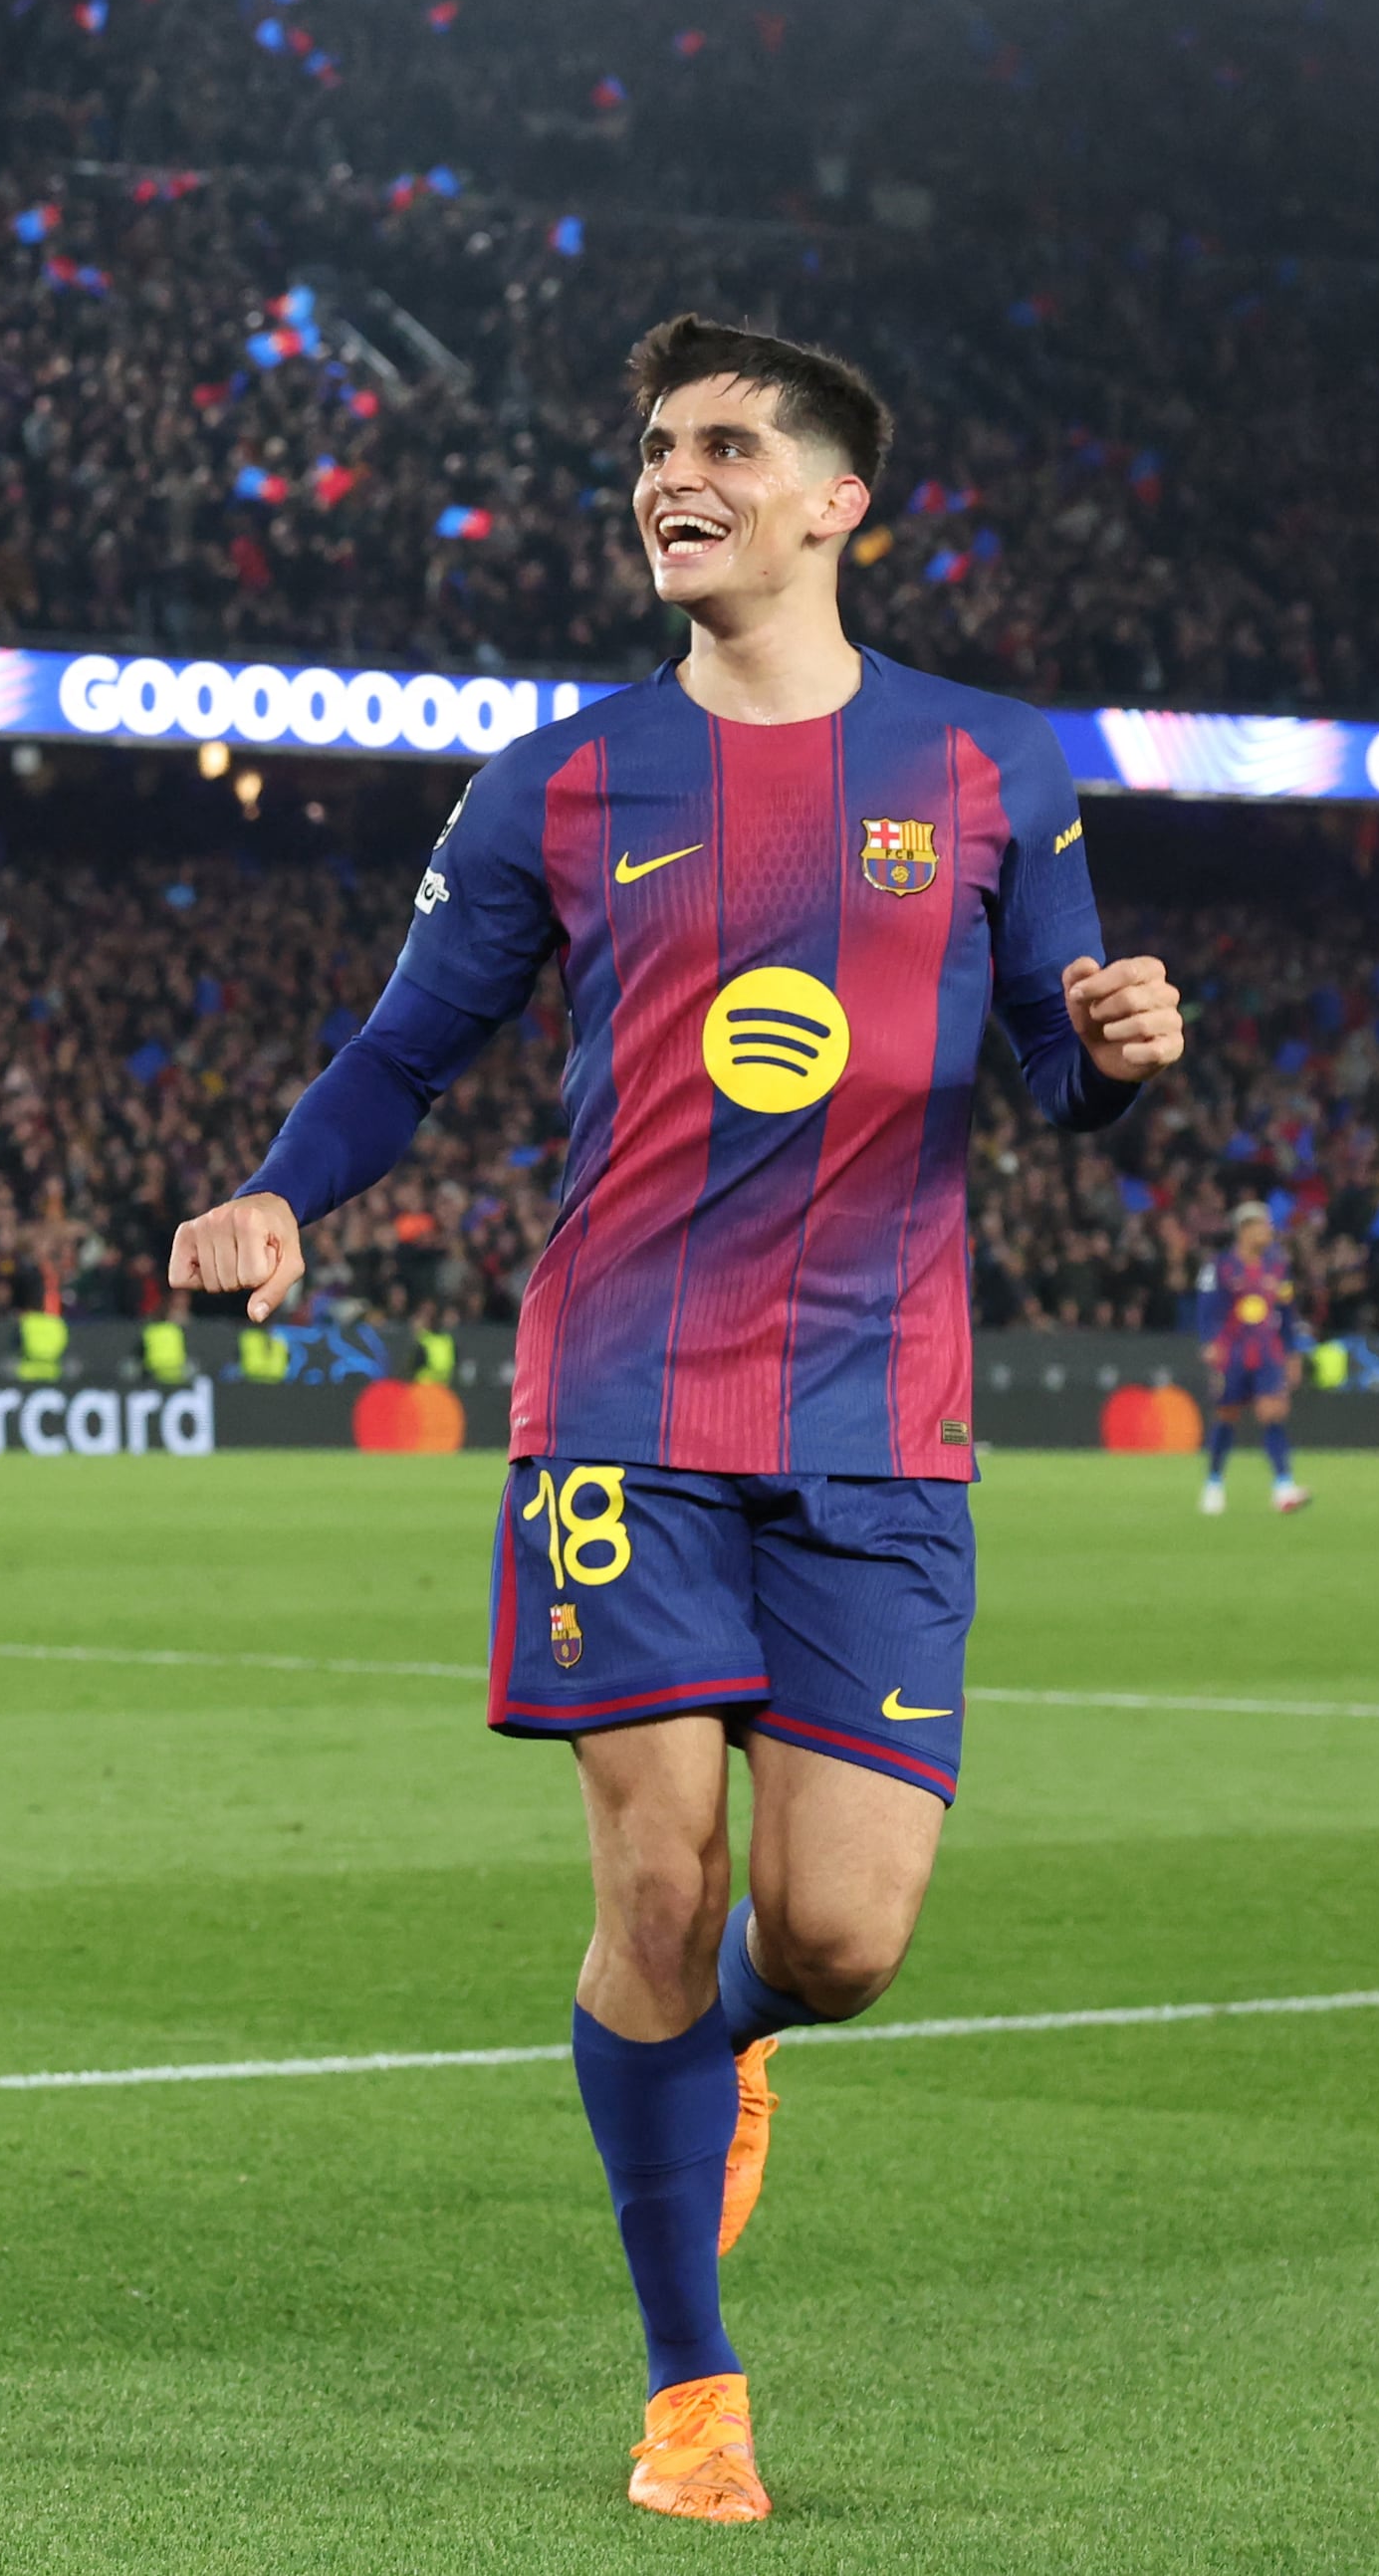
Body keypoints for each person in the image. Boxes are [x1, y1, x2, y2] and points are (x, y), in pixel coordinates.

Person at [165, 317, 1188, 2526]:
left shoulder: (993, 764)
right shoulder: (555, 780)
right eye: (653, 444)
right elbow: (404, 1050)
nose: (671, 473)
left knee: (839, 1941)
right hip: (621, 1401)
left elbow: (1059, 1067)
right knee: (653, 1879)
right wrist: (276, 1191)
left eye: (726, 441)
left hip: (879, 1422)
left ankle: (733, 2039)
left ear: (836, 502)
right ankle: (689, 2388)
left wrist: (1115, 1045)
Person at [1198, 1199, 1307, 1516]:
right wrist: (1210, 1345)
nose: (1268, 1232)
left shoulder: (1278, 1267)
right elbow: (1208, 1310)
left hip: (1267, 1352)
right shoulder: (1220, 1267)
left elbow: (1287, 1312)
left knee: (1272, 1413)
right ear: (1244, 1230)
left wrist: (1292, 1353)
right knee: (1226, 1416)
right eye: (1262, 1226)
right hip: (1232, 1353)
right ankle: (1214, 1483)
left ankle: (1283, 1486)